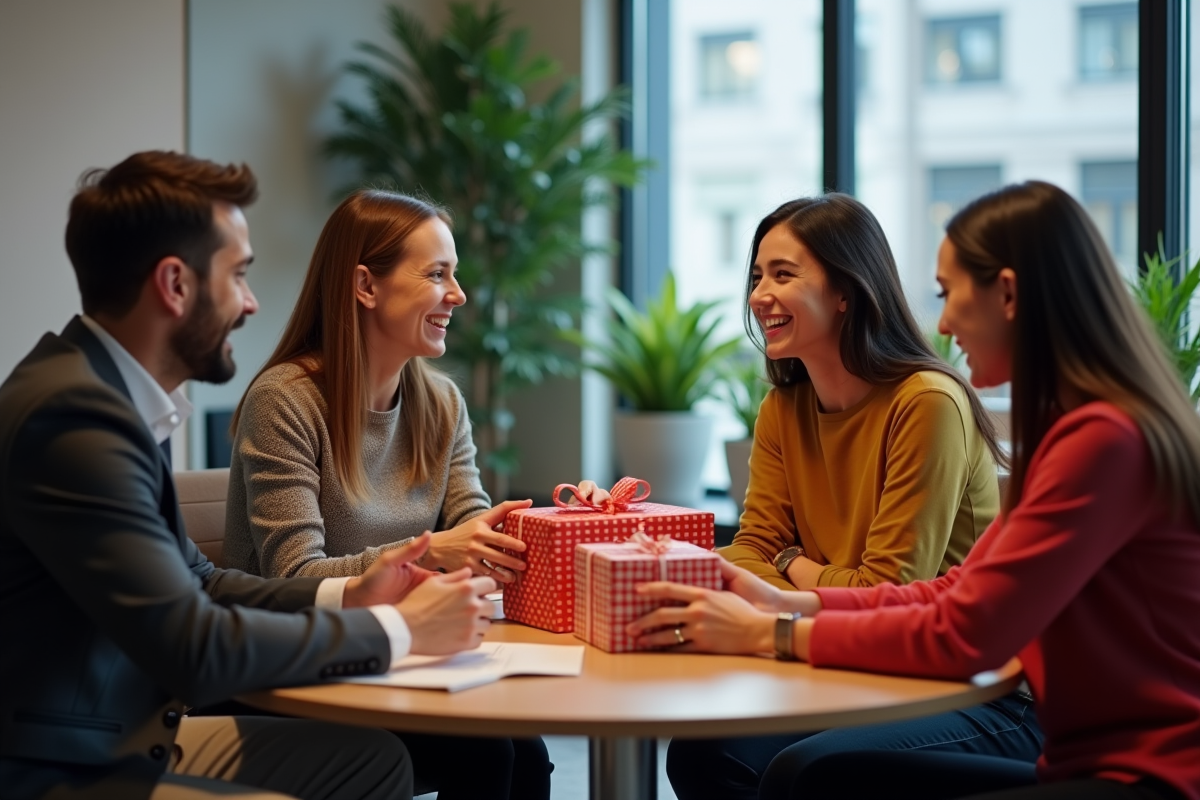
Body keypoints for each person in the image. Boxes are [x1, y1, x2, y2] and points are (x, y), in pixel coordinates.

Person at [630, 181, 1200, 800]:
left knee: (812, 777)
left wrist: (772, 625)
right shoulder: (1077, 431)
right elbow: (955, 592)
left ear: (1007, 293)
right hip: (1078, 758)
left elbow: (965, 632)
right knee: (747, 761)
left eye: (948, 293)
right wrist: (776, 602)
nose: (945, 321)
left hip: (1151, 775)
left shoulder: (1101, 440)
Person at [0, 151, 499, 800]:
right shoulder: (74, 418)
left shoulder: (104, 397)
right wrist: (398, 630)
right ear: (175, 285)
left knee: (374, 763)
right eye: (238, 275)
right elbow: (193, 648)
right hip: (64, 766)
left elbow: (199, 582)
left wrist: (355, 594)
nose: (252, 303)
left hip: (120, 729)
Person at [663, 194, 1041, 799]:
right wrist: (762, 574)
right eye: (757, 275)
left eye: (783, 274)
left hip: (965, 684)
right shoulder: (783, 407)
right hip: (862, 657)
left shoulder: (926, 402)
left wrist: (789, 569)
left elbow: (892, 590)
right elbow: (751, 550)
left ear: (847, 292)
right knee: (706, 753)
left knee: (799, 771)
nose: (759, 294)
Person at [223, 189, 551, 800]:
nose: (458, 295)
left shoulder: (441, 403)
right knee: (492, 755)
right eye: (437, 275)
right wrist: (433, 553)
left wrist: (557, 521)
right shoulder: (285, 401)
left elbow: (473, 526)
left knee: (522, 751)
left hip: (404, 655)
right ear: (366, 286)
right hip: (291, 667)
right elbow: (295, 577)